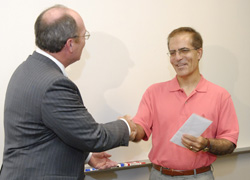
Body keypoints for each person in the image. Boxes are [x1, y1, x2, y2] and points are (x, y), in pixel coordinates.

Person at [0, 4, 136, 180]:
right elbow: (93, 136)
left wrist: (87, 156)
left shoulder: (27, 68)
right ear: (70, 44)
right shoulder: (54, 84)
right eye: (84, 36)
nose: (85, 42)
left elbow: (46, 135)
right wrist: (126, 125)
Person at [132, 27, 239, 180]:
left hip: (200, 176)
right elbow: (140, 128)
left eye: (184, 50)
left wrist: (206, 144)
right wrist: (129, 128)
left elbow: (229, 142)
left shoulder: (220, 95)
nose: (177, 57)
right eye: (173, 52)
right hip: (159, 175)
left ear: (199, 53)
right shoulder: (153, 92)